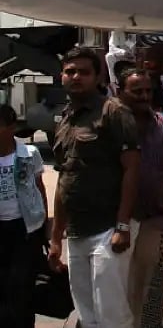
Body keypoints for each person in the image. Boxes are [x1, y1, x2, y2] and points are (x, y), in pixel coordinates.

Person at [49, 46, 142, 328]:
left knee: (111, 315)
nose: (76, 77)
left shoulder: (114, 112)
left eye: (84, 72)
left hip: (108, 229)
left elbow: (132, 169)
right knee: (86, 315)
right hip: (77, 232)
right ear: (61, 76)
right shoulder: (65, 118)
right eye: (70, 71)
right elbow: (64, 180)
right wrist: (56, 238)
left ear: (98, 76)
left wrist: (123, 226)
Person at [115, 68, 163, 328]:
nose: (144, 96)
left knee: (151, 285)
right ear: (120, 92)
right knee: (119, 288)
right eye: (136, 91)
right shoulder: (112, 124)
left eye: (148, 91)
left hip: (155, 218)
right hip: (118, 221)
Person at [0, 103, 48, 328]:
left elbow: (39, 188)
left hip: (24, 229)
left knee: (21, 287)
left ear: (11, 127)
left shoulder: (29, 154)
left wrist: (45, 227)